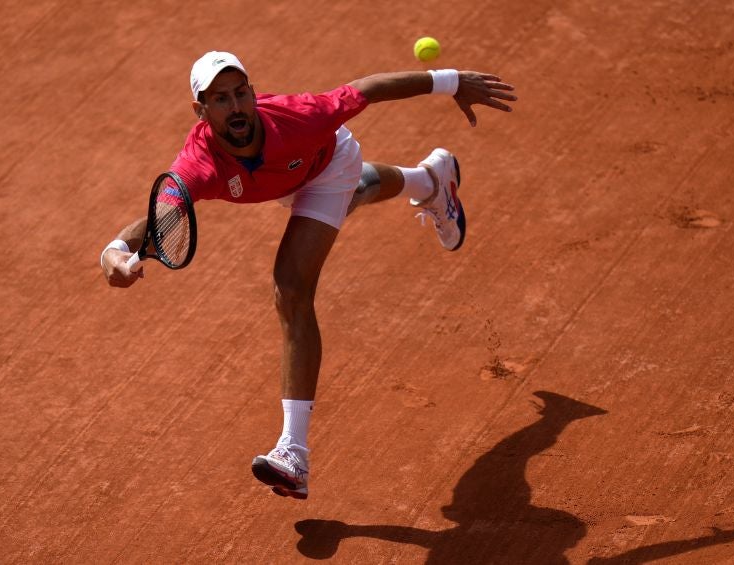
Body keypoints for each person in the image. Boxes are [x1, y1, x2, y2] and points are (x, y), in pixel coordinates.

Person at [100, 51, 517, 500]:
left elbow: (368, 88)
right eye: (220, 99)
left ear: (253, 93)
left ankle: (292, 452)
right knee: (357, 193)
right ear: (200, 111)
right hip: (285, 178)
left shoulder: (302, 117)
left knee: (292, 286)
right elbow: (159, 217)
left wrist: (451, 81)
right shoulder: (199, 163)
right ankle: (431, 181)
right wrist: (115, 252)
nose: (236, 107)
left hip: (327, 161)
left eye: (241, 93)